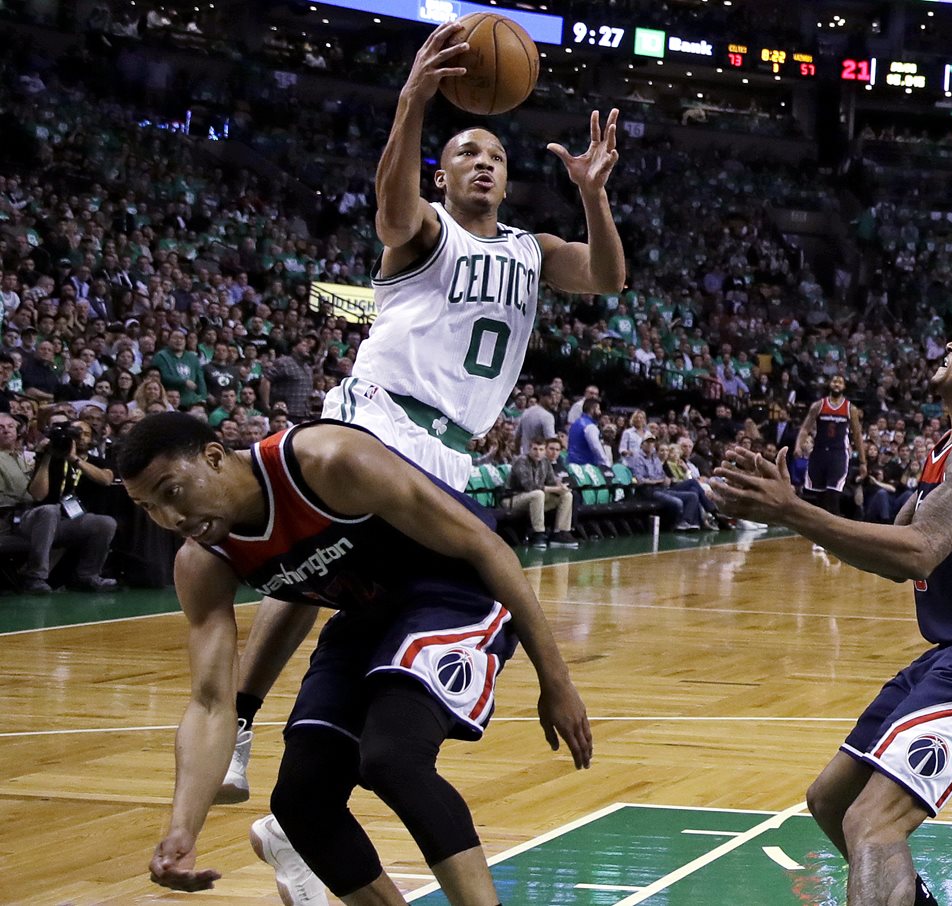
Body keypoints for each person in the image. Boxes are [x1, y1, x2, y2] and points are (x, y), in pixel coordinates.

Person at [217, 19, 625, 899]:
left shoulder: (530, 250)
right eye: (466, 151)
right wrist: (411, 102)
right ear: (442, 172)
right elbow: (390, 207)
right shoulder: (424, 231)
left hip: (449, 449)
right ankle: (242, 718)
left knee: (341, 578)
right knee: (310, 555)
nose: (483, 163)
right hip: (378, 414)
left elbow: (607, 280)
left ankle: (295, 813)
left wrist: (592, 192)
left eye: (496, 156)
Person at [120, 413, 591, 906]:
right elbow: (212, 704)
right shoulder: (202, 561)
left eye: (171, 493)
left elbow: (485, 546)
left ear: (214, 457)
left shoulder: (328, 460)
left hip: (454, 592)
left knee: (393, 757)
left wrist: (555, 679)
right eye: (146, 507)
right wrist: (182, 831)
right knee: (301, 802)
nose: (169, 519)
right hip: (365, 616)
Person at [712, 321, 952, 906]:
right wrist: (786, 513)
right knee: (832, 801)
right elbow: (896, 558)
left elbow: (922, 547)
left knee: (872, 822)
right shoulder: (948, 450)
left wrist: (793, 509)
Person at [0, 410, 117, 593]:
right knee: (50, 510)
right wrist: (47, 457)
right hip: (35, 519)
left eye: (85, 434)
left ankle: (87, 576)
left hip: (67, 523)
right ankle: (35, 577)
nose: (80, 438)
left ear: (92, 439)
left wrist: (74, 459)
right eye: (75, 433)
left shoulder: (97, 462)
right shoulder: (50, 458)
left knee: (105, 523)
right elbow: (38, 495)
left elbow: (105, 479)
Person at [796, 374, 868, 549]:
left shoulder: (850, 408)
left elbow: (857, 435)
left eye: (840, 382)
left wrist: (863, 462)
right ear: (830, 384)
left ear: (844, 386)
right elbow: (806, 427)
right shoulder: (818, 405)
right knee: (820, 497)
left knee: (833, 496)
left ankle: (833, 539)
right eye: (834, 381)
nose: (836, 384)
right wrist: (798, 445)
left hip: (838, 455)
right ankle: (820, 537)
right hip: (819, 454)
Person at [506, 437, 577, 549]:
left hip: (534, 499)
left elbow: (551, 482)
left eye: (541, 449)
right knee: (538, 494)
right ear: (529, 449)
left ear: (544, 451)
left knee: (567, 495)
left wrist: (561, 487)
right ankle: (538, 533)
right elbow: (529, 486)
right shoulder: (521, 461)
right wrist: (555, 489)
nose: (538, 452)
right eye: (535, 449)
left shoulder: (545, 462)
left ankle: (560, 533)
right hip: (513, 499)